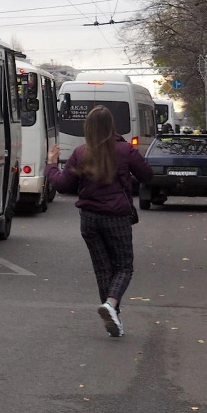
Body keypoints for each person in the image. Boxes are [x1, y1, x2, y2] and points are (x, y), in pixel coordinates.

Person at [46, 106, 153, 337]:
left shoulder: (80, 152)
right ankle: (111, 305)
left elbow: (64, 185)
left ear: (88, 128)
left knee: (103, 269)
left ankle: (114, 317)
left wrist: (51, 164)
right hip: (117, 217)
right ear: (111, 126)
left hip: (89, 219)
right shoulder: (125, 150)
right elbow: (147, 175)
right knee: (124, 267)